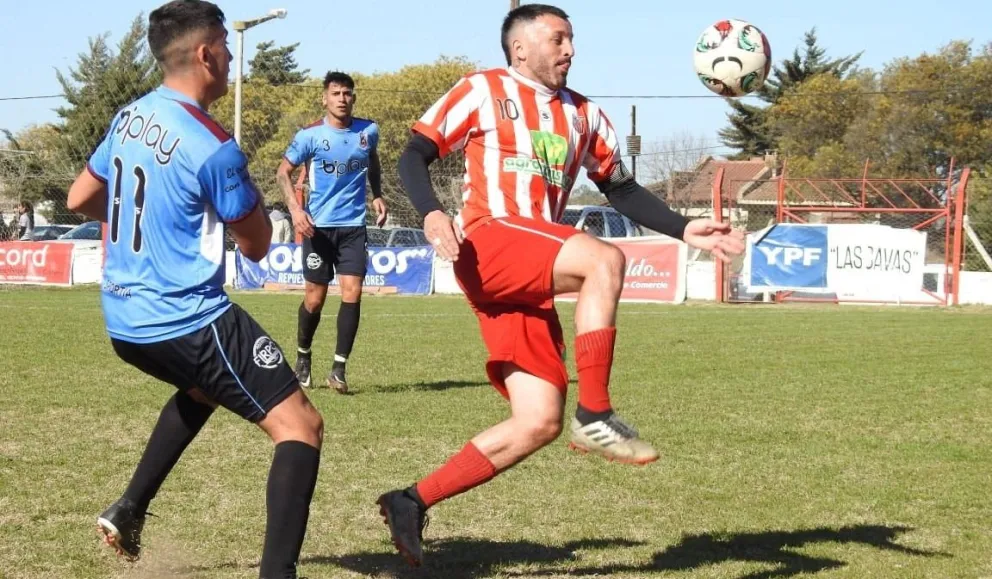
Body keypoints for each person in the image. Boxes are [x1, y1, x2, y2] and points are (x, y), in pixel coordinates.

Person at [378, 3, 746, 567]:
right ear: (520, 47)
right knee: (605, 260)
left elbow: (621, 189)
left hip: (527, 271)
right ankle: (595, 413)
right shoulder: (482, 88)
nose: (569, 49)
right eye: (558, 39)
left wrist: (682, 227)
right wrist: (430, 213)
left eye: (571, 39)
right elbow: (414, 155)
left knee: (538, 421)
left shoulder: (584, 115)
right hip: (490, 239)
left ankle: (410, 501)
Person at [65, 2, 323, 577]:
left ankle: (129, 508)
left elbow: (79, 198)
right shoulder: (212, 143)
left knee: (204, 388)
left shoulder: (129, 117)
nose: (231, 57)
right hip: (186, 317)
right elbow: (256, 245)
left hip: (124, 322)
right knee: (300, 426)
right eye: (226, 45)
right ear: (206, 54)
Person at [275, 71, 387, 393]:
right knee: (314, 299)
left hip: (353, 227)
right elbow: (283, 172)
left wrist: (377, 194)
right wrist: (296, 211)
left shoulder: (368, 131)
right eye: (335, 93)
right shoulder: (309, 136)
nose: (342, 99)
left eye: (347, 93)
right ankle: (303, 357)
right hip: (318, 228)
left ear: (354, 98)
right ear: (324, 98)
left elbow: (373, 161)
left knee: (353, 292)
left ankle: (338, 369)